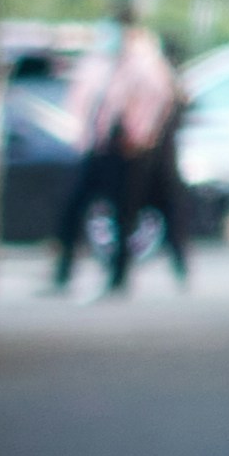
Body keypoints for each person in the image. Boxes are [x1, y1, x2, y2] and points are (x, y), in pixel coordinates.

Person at [54, 18, 179, 298]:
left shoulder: (142, 62)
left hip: (125, 147)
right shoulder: (100, 62)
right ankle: (63, 272)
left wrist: (141, 133)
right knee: (73, 208)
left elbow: (162, 96)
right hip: (97, 145)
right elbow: (82, 97)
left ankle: (118, 276)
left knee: (124, 213)